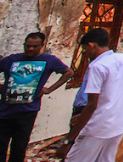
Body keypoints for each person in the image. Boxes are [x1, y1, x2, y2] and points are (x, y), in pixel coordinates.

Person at [55, 28, 123, 162]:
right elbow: (109, 93)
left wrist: (68, 140)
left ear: (91, 45)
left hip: (97, 127)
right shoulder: (122, 59)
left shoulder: (97, 67)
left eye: (84, 48)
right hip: (117, 124)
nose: (84, 52)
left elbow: (91, 105)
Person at [0, 32, 74, 162]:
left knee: (19, 147)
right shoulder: (12, 60)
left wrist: (49, 89)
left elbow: (68, 72)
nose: (30, 49)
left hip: (27, 112)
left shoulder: (49, 60)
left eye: (34, 46)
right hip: (5, 111)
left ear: (42, 45)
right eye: (27, 46)